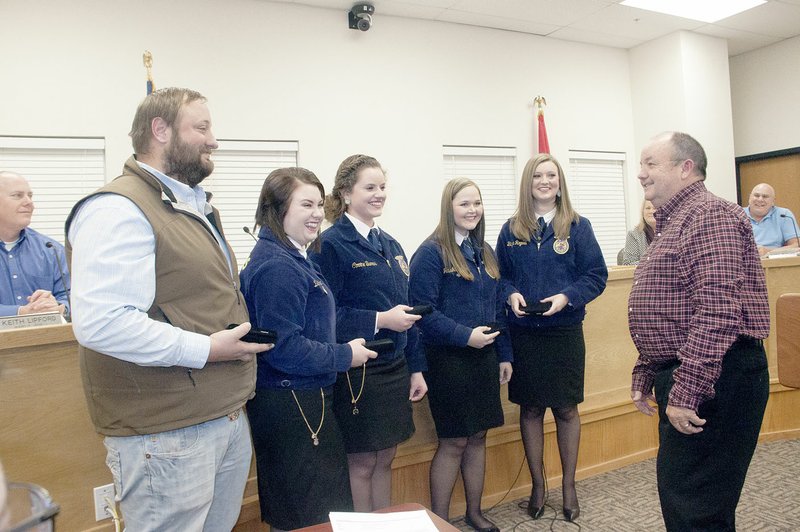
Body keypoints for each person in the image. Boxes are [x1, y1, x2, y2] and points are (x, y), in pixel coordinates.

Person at [66, 87, 271, 532]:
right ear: (160, 130)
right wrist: (207, 349)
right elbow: (102, 322)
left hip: (220, 415)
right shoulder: (117, 208)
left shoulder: (191, 205)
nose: (213, 140)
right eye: (202, 127)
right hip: (166, 432)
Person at [629, 132, 770, 531]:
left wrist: (686, 390)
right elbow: (671, 310)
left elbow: (716, 312)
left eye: (650, 163)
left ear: (685, 167)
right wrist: (648, 370)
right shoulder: (675, 221)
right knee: (688, 504)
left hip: (717, 377)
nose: (640, 174)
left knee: (697, 511)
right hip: (698, 373)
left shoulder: (710, 215)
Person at [240, 167, 377, 530]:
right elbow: (282, 348)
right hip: (292, 406)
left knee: (315, 512)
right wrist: (345, 355)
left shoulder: (295, 257)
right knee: (307, 516)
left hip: (305, 399)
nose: (317, 213)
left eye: (319, 204)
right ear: (277, 209)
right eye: (306, 204)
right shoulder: (276, 267)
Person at [309, 154, 427, 512]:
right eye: (369, 187)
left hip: (395, 367)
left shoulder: (390, 244)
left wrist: (417, 366)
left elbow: (407, 311)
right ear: (345, 193)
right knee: (361, 463)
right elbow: (326, 316)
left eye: (382, 187)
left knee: (386, 457)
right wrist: (379, 319)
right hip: (358, 371)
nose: (379, 194)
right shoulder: (329, 245)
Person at [496, 154, 607, 523]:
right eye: (538, 176)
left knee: (565, 409)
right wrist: (509, 292)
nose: (544, 181)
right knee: (530, 409)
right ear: (528, 183)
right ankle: (538, 485)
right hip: (525, 334)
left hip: (563, 332)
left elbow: (596, 276)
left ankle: (570, 486)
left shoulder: (578, 226)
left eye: (551, 175)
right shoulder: (511, 229)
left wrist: (566, 297)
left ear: (560, 182)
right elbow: (501, 277)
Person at [409, 178, 512, 532]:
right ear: (448, 207)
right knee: (453, 441)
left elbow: (499, 308)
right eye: (464, 204)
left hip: (484, 357)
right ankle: (440, 520)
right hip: (448, 361)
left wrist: (504, 354)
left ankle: (474, 512)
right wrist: (464, 336)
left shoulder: (483, 250)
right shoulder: (431, 252)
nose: (472, 210)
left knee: (479, 435)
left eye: (476, 203)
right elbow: (423, 313)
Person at [0, 171, 70, 318]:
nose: (29, 202)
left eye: (30, 196)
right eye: (17, 195)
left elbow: (71, 295)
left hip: (45, 339)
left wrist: (57, 306)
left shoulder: (51, 250)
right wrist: (20, 312)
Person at [744, 182, 799, 255]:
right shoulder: (737, 214)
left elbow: (796, 245)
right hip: (745, 262)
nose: (760, 199)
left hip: (776, 262)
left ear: (773, 201)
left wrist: (769, 251)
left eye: (765, 196)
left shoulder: (784, 214)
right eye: (756, 195)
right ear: (749, 197)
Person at [620, 199, 656, 265]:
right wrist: (653, 263)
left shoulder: (672, 232)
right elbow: (628, 264)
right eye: (648, 208)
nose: (651, 211)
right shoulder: (634, 234)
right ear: (643, 212)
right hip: (643, 275)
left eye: (655, 208)